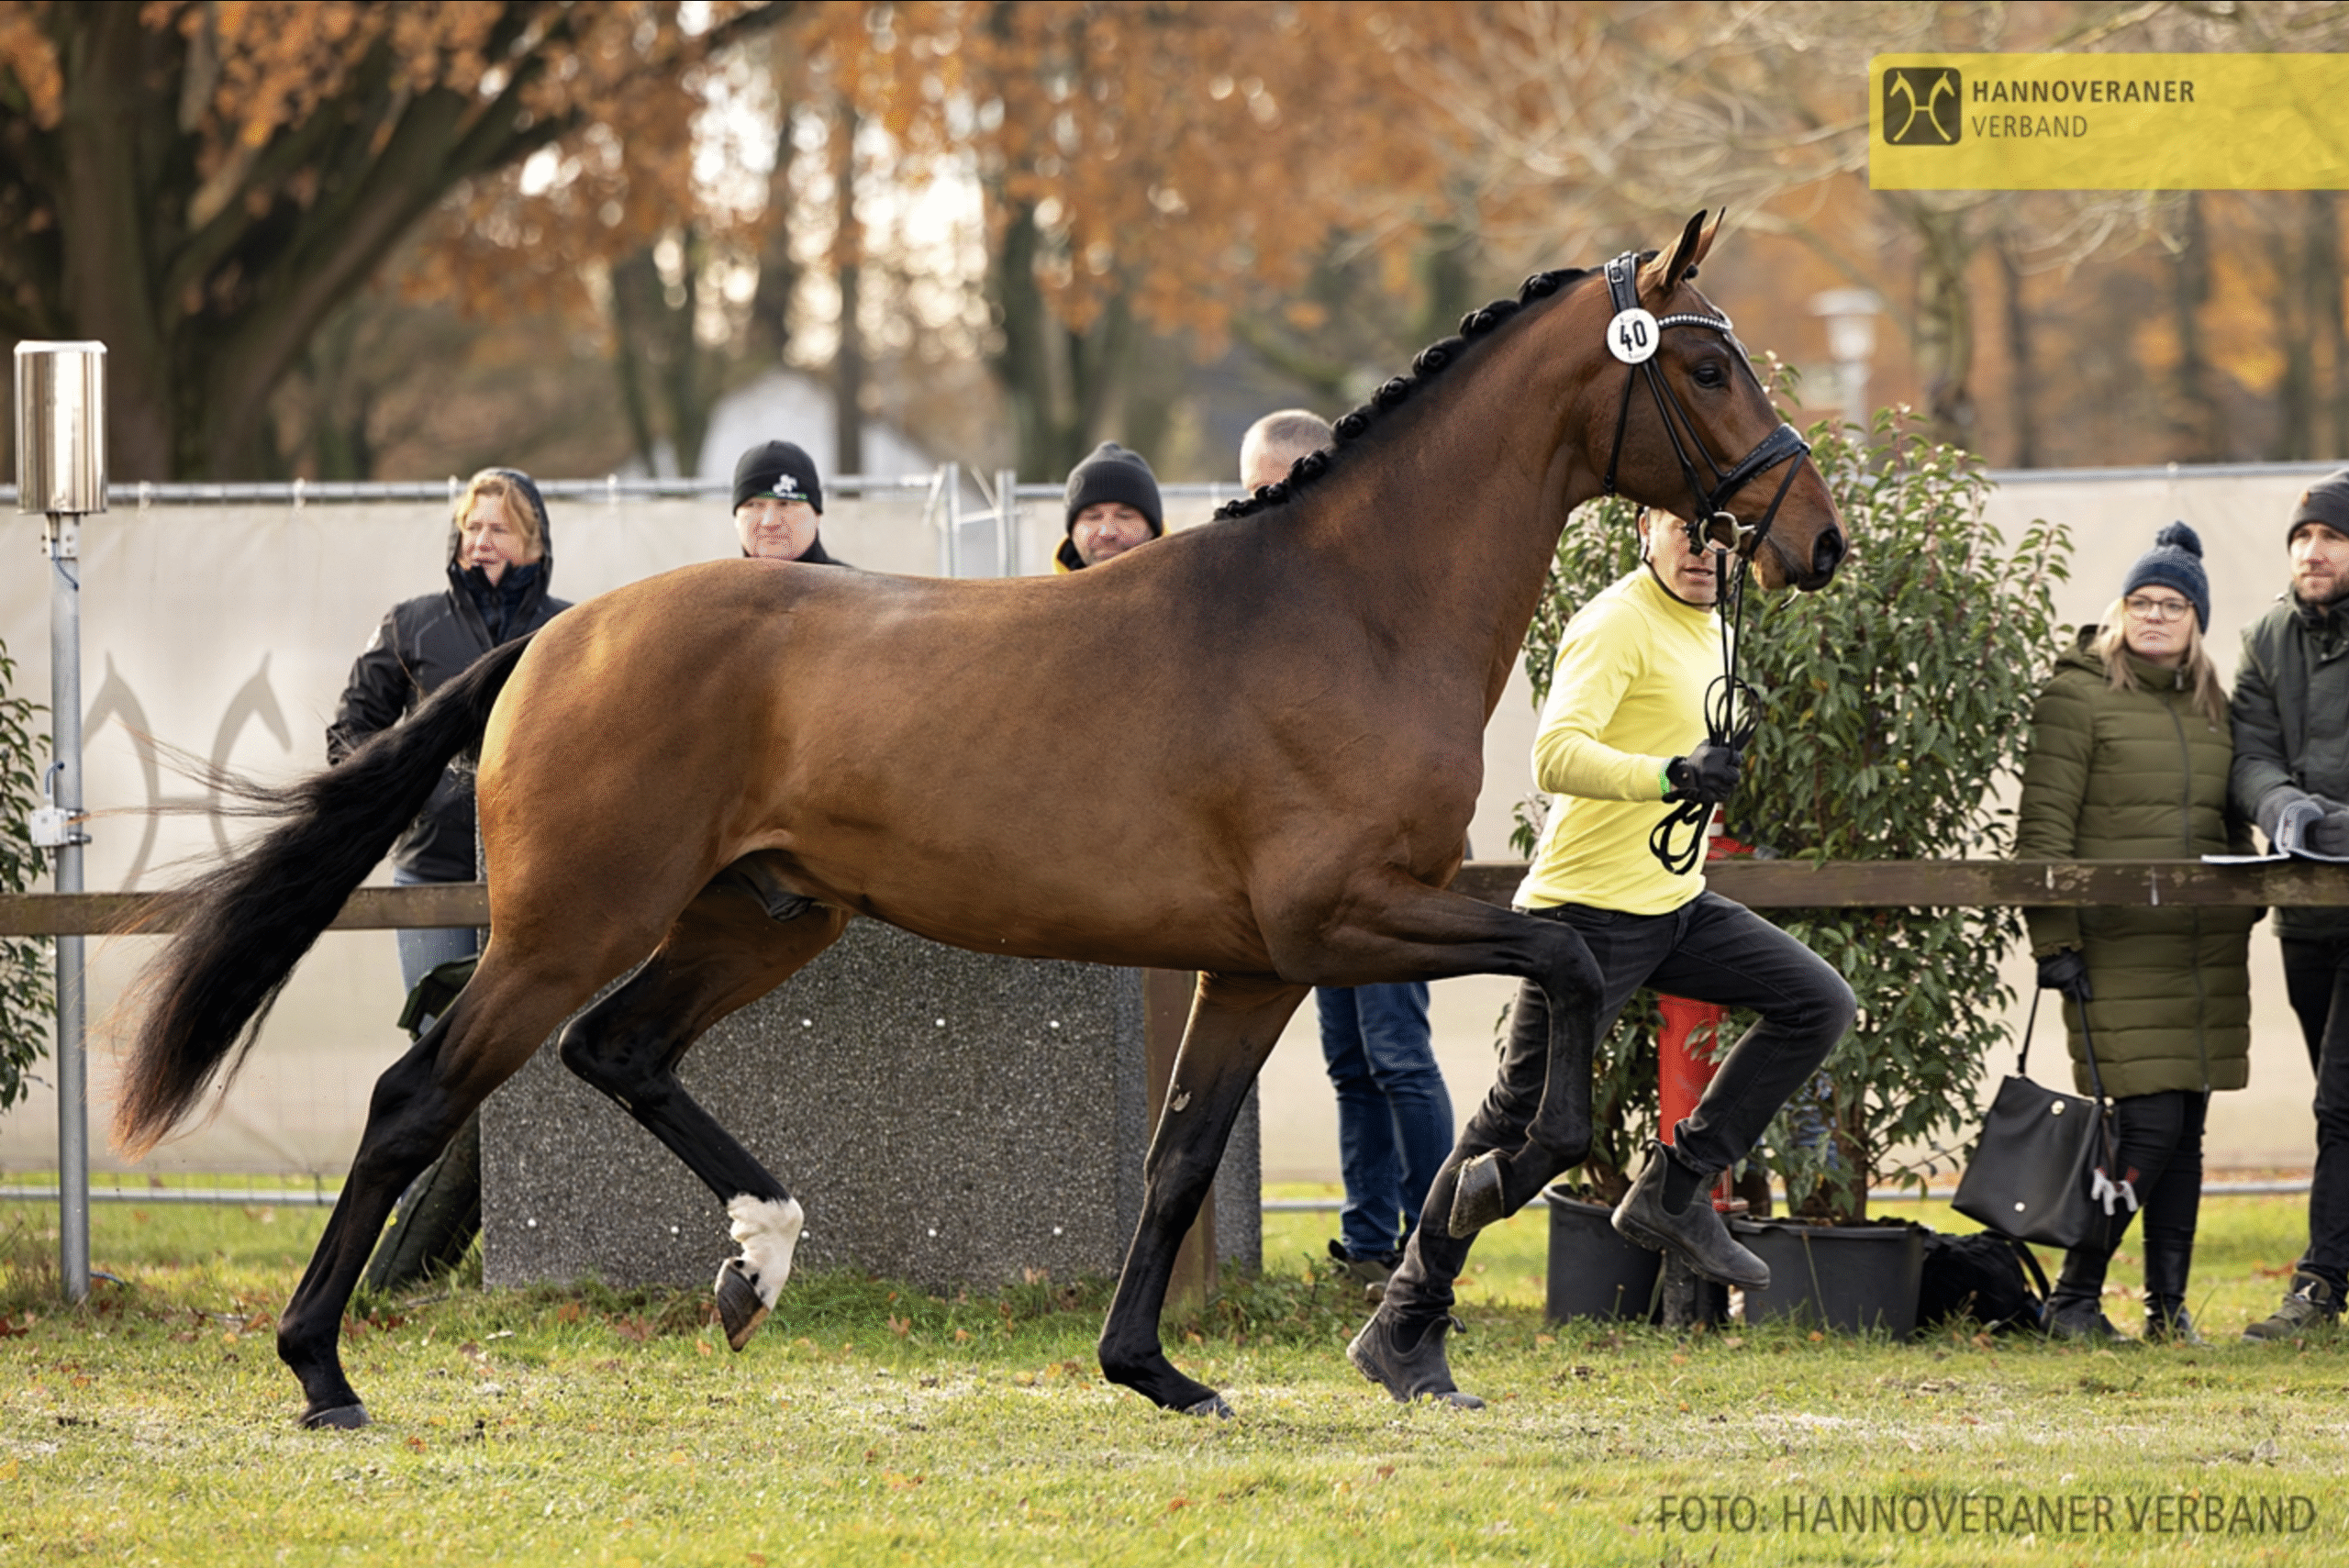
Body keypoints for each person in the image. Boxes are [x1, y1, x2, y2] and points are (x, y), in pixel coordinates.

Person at [1346, 506, 1855, 1407]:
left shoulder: (1717, 622)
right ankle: (1401, 1324)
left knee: (1817, 1002)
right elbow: (1553, 754)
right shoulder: (1616, 620)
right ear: (1644, 530)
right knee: (1509, 1125)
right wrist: (1668, 774)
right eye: (1682, 528)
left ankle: (1675, 1184)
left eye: (1716, 533)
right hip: (1583, 917)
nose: (1702, 549)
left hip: (1674, 903)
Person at [2017, 522, 2254, 1344]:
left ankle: (2167, 1308)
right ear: (2120, 611)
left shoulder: (2214, 705)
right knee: (2143, 1127)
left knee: (2186, 1129)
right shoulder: (2076, 694)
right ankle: (2075, 1298)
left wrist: (2251, 898)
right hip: (2115, 951)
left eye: (2175, 604)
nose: (2157, 615)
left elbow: (2233, 821)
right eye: (2142, 600)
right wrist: (2055, 942)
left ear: (2197, 620)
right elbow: (2041, 833)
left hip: (2204, 957)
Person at [1242, 409, 1454, 1299]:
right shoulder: (1267, 579)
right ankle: (1367, 1236)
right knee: (1351, 1059)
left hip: (1386, 850)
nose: (1249, 508)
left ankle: (1434, 1242)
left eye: (1263, 490)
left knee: (1398, 1051)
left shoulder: (1388, 580)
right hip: (1314, 851)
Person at [329, 467, 572, 1000]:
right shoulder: (412, 624)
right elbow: (350, 732)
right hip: (432, 872)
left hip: (540, 882)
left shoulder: (569, 634)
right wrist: (416, 792)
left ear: (532, 542)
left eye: (500, 529)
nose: (482, 542)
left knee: (523, 1053)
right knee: (436, 1045)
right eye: (472, 528)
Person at [2233, 468, 2349, 1341]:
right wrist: (2278, 805)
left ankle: (2317, 1288)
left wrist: (2332, 825)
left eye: (2333, 538)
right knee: (2337, 1094)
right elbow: (2251, 749)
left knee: (2339, 1103)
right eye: (2303, 538)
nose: (2313, 551)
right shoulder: (2269, 635)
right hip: (2305, 911)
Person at [1053, 441, 1163, 572]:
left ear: (1153, 530)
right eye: (1093, 517)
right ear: (1072, 533)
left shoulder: (1187, 589)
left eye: (1124, 517)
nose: (1107, 532)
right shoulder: (1042, 591)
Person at [732, 439, 844, 564]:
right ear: (736, 518)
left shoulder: (852, 583)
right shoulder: (716, 583)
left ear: (817, 514)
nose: (770, 522)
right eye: (753, 505)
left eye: (785, 504)